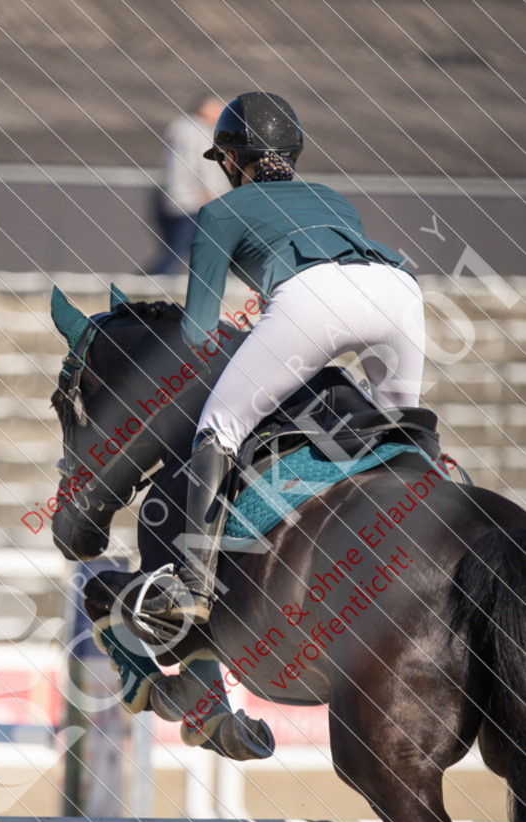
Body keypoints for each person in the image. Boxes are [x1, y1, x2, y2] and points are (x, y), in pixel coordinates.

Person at [140, 91, 426, 637]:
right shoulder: (334, 198)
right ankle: (446, 504)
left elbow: (199, 334)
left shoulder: (219, 210)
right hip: (400, 291)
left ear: (228, 161)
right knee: (403, 437)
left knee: (219, 426)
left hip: (314, 301)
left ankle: (193, 586)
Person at [147, 97, 226, 275]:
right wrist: (212, 193)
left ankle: (145, 285)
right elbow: (206, 165)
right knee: (176, 252)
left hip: (174, 198)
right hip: (192, 201)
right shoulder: (200, 132)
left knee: (175, 250)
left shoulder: (181, 129)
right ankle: (145, 286)